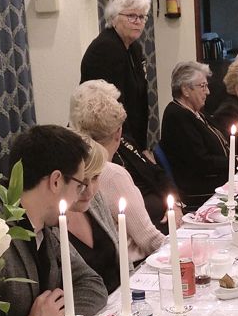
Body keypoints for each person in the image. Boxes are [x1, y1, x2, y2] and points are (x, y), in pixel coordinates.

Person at [0, 125, 107, 316]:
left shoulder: (47, 227)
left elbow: (92, 284)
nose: (79, 196)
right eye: (78, 186)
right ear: (56, 181)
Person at [70, 80, 170, 260]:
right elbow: (150, 240)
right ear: (118, 132)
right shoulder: (111, 173)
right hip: (135, 265)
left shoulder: (74, 166)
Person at [80, 0, 152, 150]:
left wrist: (141, 148)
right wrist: (130, 150)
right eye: (131, 16)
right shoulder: (106, 48)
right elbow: (111, 106)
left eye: (142, 16)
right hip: (105, 139)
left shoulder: (134, 48)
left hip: (130, 138)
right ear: (113, 18)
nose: (138, 21)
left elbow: (139, 100)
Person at [160, 61, 230, 210]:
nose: (208, 92)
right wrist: (234, 162)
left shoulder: (196, 112)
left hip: (217, 177)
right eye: (202, 86)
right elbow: (201, 162)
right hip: (199, 188)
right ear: (186, 90)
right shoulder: (177, 116)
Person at [65, 136, 129, 293]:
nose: (89, 191)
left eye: (95, 177)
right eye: (81, 181)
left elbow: (121, 254)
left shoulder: (95, 201)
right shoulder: (52, 223)